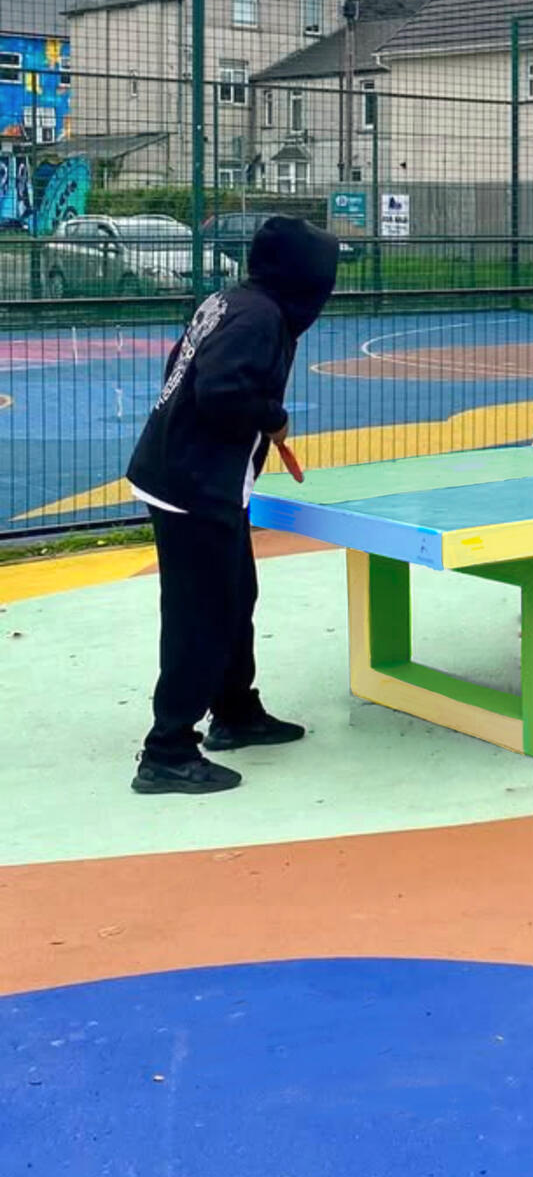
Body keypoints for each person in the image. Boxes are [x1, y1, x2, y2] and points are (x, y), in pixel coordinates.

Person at [126, 215, 340, 795]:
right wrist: (272, 418)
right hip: (193, 483)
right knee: (201, 615)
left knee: (235, 595)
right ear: (304, 278)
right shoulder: (262, 317)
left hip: (190, 472)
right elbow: (218, 389)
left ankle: (235, 711)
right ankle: (167, 750)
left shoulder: (234, 300)